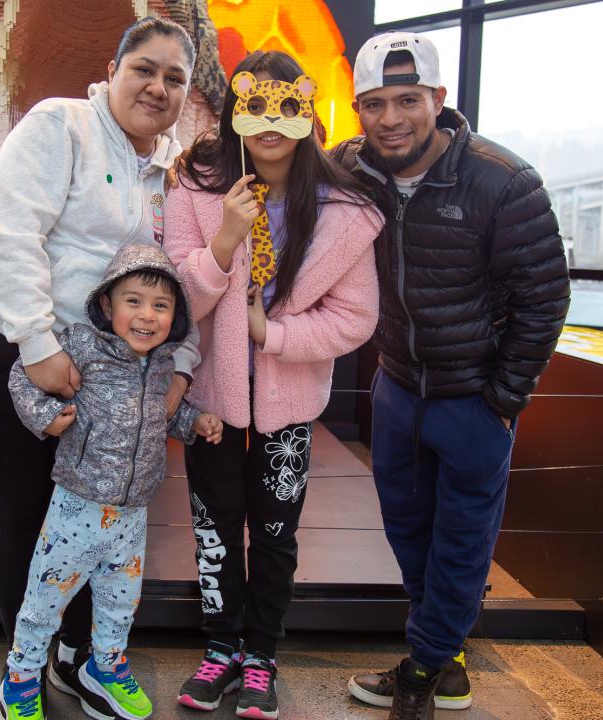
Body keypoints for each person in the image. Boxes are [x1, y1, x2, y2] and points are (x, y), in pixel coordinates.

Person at [0, 16, 200, 716]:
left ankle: (77, 657)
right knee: (27, 510)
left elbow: (173, 280)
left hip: (97, 363)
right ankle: (21, 670)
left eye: (175, 77)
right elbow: (13, 234)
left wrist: (175, 364)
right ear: (114, 70)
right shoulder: (61, 126)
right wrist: (38, 345)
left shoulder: (171, 173)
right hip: (6, 338)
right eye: (144, 68)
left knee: (88, 512)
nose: (157, 86)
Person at [331, 32, 570, 720]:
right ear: (358, 109)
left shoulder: (503, 180)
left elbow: (545, 297)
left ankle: (422, 672)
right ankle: (447, 657)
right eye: (374, 104)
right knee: (409, 530)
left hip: (474, 399)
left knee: (462, 540)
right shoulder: (354, 167)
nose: (391, 118)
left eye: (408, 100)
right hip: (399, 386)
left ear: (439, 100)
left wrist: (504, 398)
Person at [163, 50, 383, 719]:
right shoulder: (195, 189)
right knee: (215, 527)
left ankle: (262, 654)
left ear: (308, 111)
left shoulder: (342, 209)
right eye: (255, 105)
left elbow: (356, 317)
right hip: (212, 403)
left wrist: (272, 336)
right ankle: (221, 647)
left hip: (288, 403)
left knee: (277, 532)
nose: (270, 123)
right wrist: (225, 240)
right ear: (235, 109)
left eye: (287, 107)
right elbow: (172, 297)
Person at [0, 242, 222, 720]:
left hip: (132, 514)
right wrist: (46, 416)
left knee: (120, 602)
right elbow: (22, 375)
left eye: (161, 306)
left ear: (173, 317)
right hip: (77, 506)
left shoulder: (163, 364)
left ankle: (107, 668)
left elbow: (164, 415)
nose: (147, 316)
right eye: (134, 301)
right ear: (107, 304)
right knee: (44, 600)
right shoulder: (83, 345)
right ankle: (19, 681)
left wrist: (195, 422)